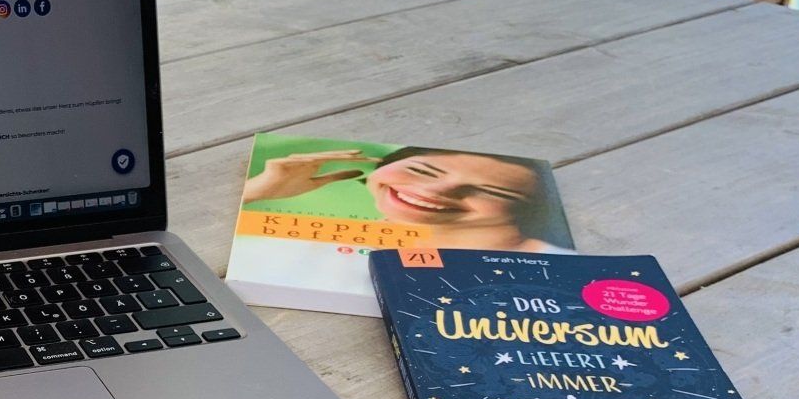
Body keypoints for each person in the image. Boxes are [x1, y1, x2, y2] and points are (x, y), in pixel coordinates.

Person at [240, 145, 568, 252]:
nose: (433, 191)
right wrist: (258, 191)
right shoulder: (314, 240)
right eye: (421, 170)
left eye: (491, 191)